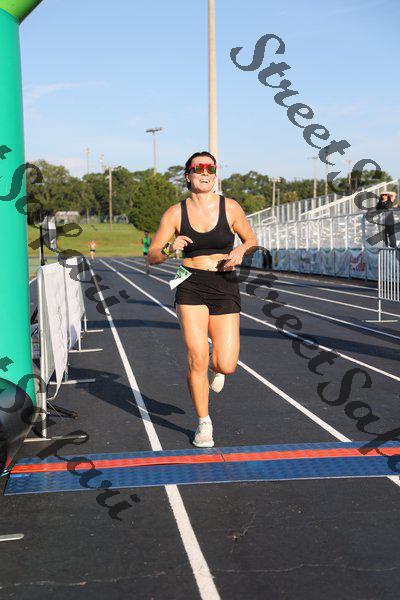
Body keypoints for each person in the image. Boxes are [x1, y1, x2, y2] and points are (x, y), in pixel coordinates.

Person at [147, 151, 257, 447]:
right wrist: (170, 248)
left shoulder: (230, 207)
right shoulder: (175, 213)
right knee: (196, 357)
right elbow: (152, 256)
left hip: (224, 283)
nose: (205, 173)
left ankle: (214, 365)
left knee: (226, 364)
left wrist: (240, 250)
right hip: (190, 283)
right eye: (199, 168)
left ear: (215, 174)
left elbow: (251, 240)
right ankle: (203, 422)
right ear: (188, 176)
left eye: (210, 168)